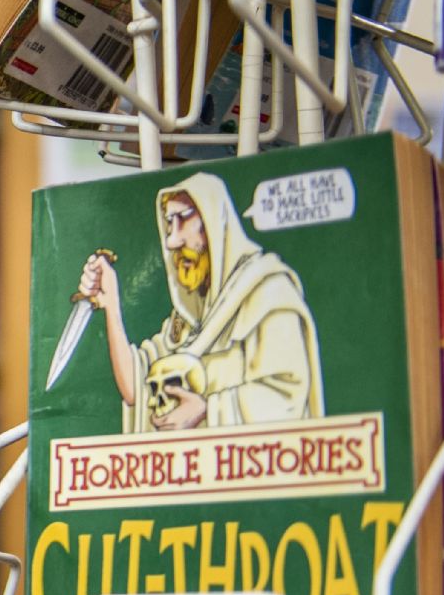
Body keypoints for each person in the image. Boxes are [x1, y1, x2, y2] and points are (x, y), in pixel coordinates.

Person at [70, 172, 322, 433]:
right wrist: (111, 302)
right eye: (169, 222)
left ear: (214, 222)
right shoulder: (190, 317)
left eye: (183, 218)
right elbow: (137, 389)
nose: (172, 240)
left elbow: (286, 396)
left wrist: (207, 411)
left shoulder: (269, 293)